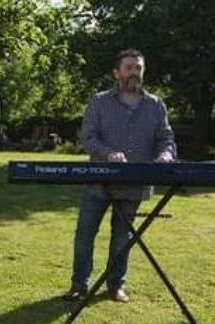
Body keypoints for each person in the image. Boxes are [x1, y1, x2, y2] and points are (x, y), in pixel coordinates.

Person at [63, 49, 176, 304]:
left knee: (121, 237)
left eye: (138, 68)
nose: (134, 72)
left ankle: (116, 286)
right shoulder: (99, 101)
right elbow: (88, 137)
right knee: (84, 234)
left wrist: (166, 155)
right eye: (129, 67)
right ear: (116, 73)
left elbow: (166, 139)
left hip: (134, 183)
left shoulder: (155, 105)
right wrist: (108, 154)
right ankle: (79, 285)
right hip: (99, 181)